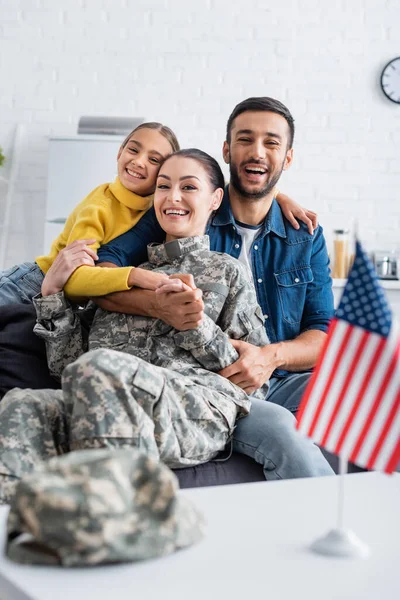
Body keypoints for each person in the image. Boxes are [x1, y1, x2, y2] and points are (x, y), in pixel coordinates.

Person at [0, 149, 333, 505]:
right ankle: (19, 543)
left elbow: (254, 382)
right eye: (163, 186)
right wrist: (51, 294)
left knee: (102, 370)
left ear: (215, 199)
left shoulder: (226, 272)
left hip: (197, 405)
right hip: (105, 397)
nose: (173, 197)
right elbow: (68, 368)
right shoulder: (116, 282)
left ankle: (121, 524)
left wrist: (195, 324)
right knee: (21, 404)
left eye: (188, 187)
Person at [88, 96, 335, 470]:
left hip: (284, 377)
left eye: (271, 143)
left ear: (287, 158)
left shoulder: (304, 235)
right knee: (281, 430)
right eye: (244, 140)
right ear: (226, 149)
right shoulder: (186, 214)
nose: (256, 152)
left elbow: (324, 333)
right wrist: (158, 304)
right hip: (217, 384)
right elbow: (104, 272)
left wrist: (271, 357)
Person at [0, 121, 312, 306]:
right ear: (119, 152)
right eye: (133, 150)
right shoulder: (100, 204)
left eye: (154, 160)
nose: (138, 162)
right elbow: (75, 278)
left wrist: (278, 196)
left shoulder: (159, 204)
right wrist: (140, 277)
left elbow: (209, 184)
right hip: (30, 282)